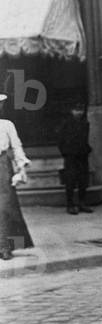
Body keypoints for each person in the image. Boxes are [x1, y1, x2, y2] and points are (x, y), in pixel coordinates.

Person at [0, 93, 32, 261]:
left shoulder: (7, 125)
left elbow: (17, 146)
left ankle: (5, 247)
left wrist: (21, 166)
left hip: (2, 165)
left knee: (4, 207)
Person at [57, 101, 93, 215]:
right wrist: (65, 152)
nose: (79, 113)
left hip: (82, 155)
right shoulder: (65, 123)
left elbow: (85, 139)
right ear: (71, 111)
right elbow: (60, 140)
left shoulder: (85, 123)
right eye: (76, 110)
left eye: (81, 110)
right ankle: (70, 204)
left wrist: (87, 150)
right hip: (71, 156)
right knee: (70, 181)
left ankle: (82, 203)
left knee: (83, 180)